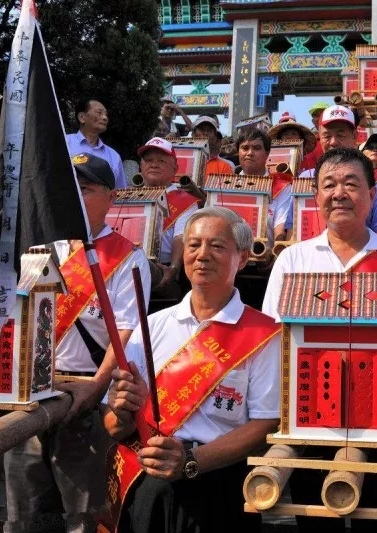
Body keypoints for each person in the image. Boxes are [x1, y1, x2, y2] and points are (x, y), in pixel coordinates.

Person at [262, 148, 377, 533]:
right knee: (315, 522)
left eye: (351, 184)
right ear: (315, 197)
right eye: (329, 185)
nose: (339, 193)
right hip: (311, 420)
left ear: (373, 197)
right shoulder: (293, 261)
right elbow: (276, 338)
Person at [102, 207, 281, 533]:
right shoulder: (151, 327)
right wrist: (120, 409)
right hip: (145, 479)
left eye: (216, 246)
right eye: (194, 245)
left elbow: (265, 422)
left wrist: (191, 462)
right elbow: (114, 426)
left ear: (241, 258)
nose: (202, 255)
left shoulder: (264, 335)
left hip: (218, 484)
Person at [4, 153, 150, 533]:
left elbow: (125, 334)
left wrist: (92, 391)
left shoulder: (127, 257)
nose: (74, 199)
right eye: (69, 190)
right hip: (32, 395)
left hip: (86, 396)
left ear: (111, 197)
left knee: (81, 515)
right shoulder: (38, 250)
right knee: (27, 511)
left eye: (85, 190)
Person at [288, 105, 377, 240]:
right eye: (327, 136)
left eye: (340, 135)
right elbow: (292, 228)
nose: (333, 142)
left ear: (354, 136)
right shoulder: (305, 179)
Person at [137, 137, 200, 294]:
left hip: (161, 268)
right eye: (148, 160)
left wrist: (174, 268)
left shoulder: (186, 200)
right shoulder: (128, 196)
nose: (154, 164)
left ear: (175, 168)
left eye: (162, 161)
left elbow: (180, 237)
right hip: (128, 266)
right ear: (140, 166)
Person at [65, 98, 127, 189]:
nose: (105, 118)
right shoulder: (64, 143)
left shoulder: (114, 156)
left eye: (106, 114)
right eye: (99, 113)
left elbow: (120, 193)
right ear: (82, 117)